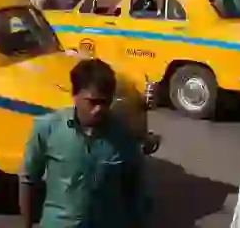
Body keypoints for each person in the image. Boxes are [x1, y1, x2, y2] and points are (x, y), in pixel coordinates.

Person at [19, 58, 148, 228]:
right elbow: (28, 180)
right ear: (75, 95)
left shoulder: (123, 135)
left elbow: (134, 189)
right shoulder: (48, 128)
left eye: (105, 102)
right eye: (92, 102)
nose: (99, 109)